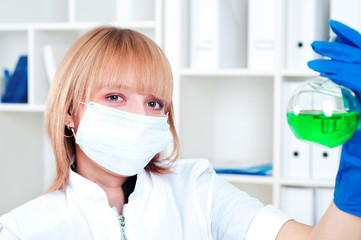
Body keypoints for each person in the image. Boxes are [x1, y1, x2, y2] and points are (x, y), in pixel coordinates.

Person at [0, 22, 360, 240]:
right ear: (68, 112)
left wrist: (356, 174)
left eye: (154, 103)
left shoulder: (197, 190)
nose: (140, 115)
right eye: (114, 96)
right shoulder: (23, 230)